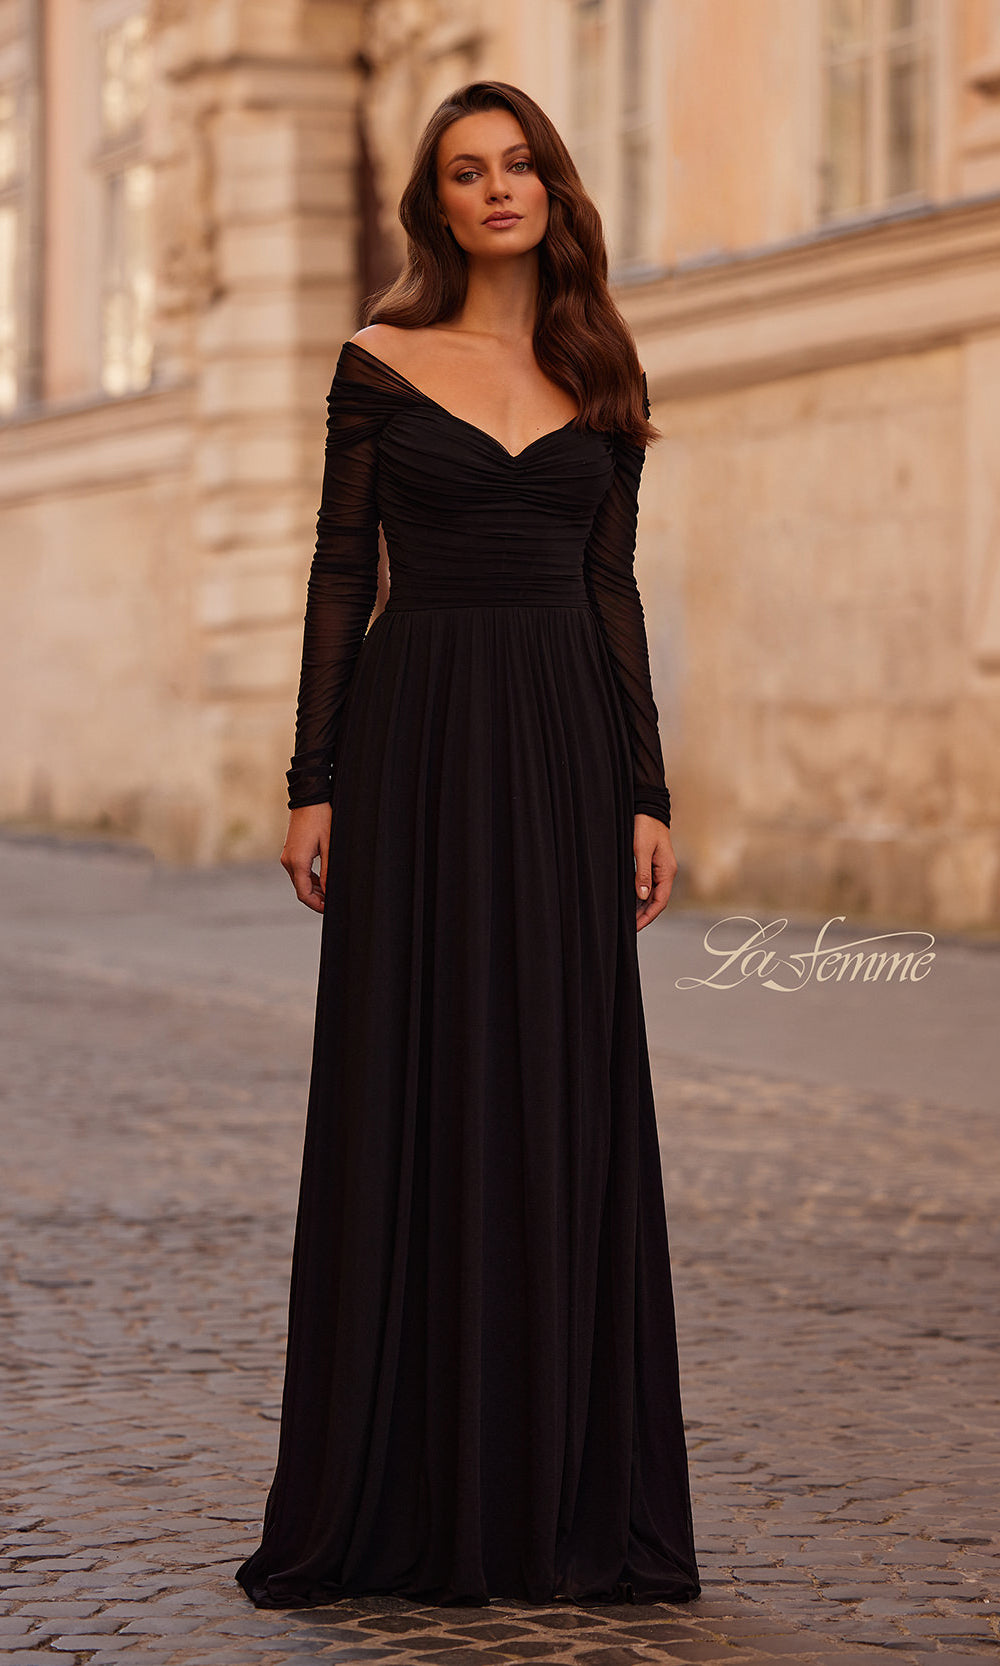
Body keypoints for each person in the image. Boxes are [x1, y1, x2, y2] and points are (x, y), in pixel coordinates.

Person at [236, 78, 701, 1611]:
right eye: (463, 172)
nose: (496, 190)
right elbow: (335, 569)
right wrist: (317, 775)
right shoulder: (377, 358)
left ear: (554, 188)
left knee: (560, 1083)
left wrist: (648, 790)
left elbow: (611, 588)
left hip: (566, 746)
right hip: (419, 740)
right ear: (433, 204)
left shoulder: (599, 363)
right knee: (410, 1080)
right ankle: (409, 1485)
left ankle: (562, 1486)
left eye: (517, 167)